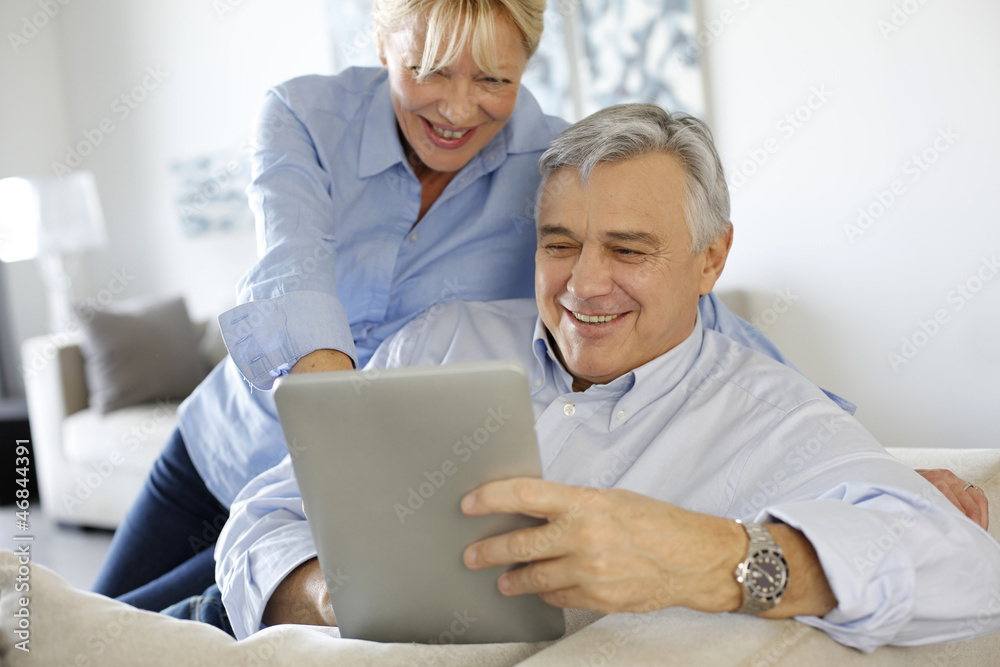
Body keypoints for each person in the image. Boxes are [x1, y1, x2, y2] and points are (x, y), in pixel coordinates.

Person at [92, 0, 826, 614]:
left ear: (527, 65)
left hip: (356, 498)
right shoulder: (304, 116)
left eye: (494, 78)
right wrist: (337, 424)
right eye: (430, 70)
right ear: (384, 43)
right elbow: (292, 266)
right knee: (62, 627)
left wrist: (829, 427)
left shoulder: (547, 167)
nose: (456, 107)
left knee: (148, 634)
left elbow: (682, 308)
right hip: (230, 445)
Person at [216, 103, 1000, 651]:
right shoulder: (441, 339)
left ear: (712, 259)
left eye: (628, 251)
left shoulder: (771, 416)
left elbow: (969, 573)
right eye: (560, 244)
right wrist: (328, 594)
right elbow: (263, 517)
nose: (583, 285)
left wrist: (712, 557)